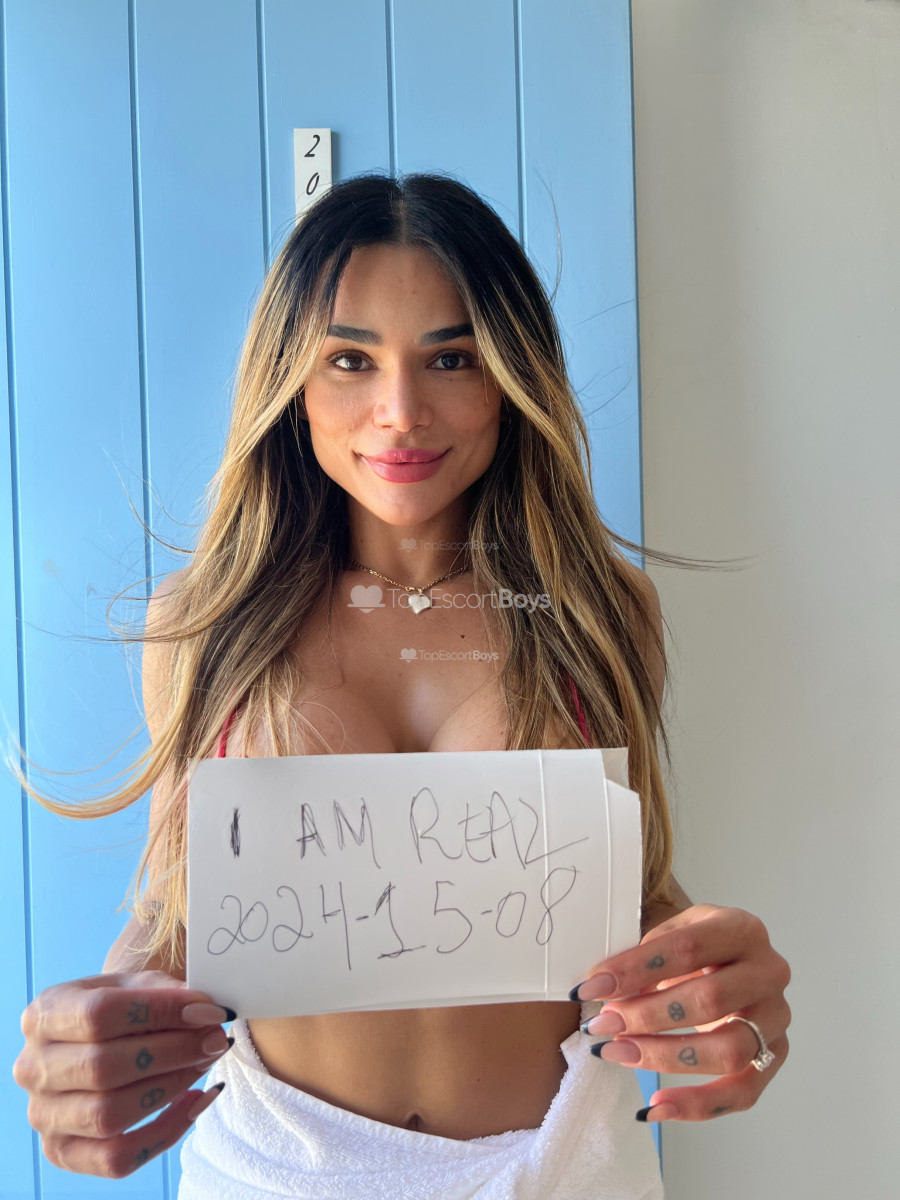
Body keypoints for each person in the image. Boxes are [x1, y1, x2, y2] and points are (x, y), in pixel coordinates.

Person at [12, 172, 791, 1198]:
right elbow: (176, 908)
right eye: (350, 359)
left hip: (559, 1171)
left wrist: (718, 988)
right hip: (275, 1173)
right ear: (291, 382)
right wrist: (112, 1018)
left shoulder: (601, 609)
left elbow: (634, 894)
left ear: (510, 377)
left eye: (451, 358)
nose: (400, 411)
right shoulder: (203, 621)